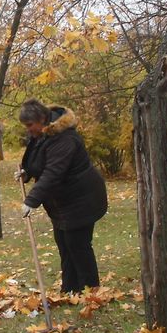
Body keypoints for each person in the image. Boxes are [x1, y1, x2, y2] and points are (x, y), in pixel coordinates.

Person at [16, 99, 108, 294]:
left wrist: (32, 201)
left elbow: (53, 172)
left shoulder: (65, 138)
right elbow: (39, 161)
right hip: (62, 203)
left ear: (41, 118)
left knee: (78, 245)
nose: (28, 130)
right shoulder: (42, 135)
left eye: (30, 125)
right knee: (65, 244)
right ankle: (70, 289)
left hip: (82, 199)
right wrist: (27, 173)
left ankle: (92, 292)